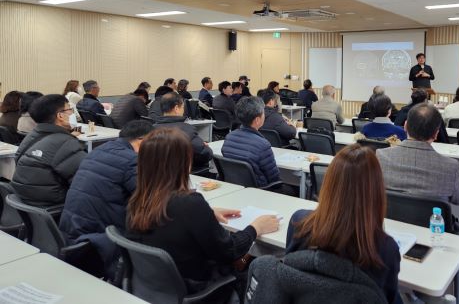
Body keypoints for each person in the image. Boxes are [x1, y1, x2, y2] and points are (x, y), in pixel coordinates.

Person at [126, 128, 279, 297]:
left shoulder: (138, 199)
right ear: (184, 162)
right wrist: (256, 228)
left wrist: (208, 213)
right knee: (257, 259)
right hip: (199, 287)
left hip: (156, 286)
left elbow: (171, 218)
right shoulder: (190, 204)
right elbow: (229, 252)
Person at [286, 144, 401, 304]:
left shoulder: (299, 222)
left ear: (329, 182)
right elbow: (387, 298)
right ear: (376, 190)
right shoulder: (385, 248)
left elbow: (288, 274)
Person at [59, 120, 154, 279]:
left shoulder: (99, 150)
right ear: (142, 141)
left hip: (71, 229)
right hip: (99, 239)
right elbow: (150, 198)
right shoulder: (131, 160)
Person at [376, 103, 459, 205]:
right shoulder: (450, 166)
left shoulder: (381, 156)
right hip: (431, 220)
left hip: (389, 219)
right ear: (436, 133)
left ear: (405, 126)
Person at [11, 94, 86, 206]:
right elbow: (85, 181)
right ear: (60, 116)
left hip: (27, 204)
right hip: (54, 206)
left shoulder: (31, 136)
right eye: (70, 109)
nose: (73, 113)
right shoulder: (66, 143)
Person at [222, 96, 280, 187]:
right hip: (260, 191)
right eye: (263, 113)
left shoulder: (229, 137)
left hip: (235, 188)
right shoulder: (262, 145)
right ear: (257, 120)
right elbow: (274, 178)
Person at [154, 92, 213, 172]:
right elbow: (205, 154)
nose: (184, 110)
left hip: (158, 174)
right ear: (176, 108)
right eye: (182, 107)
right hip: (183, 175)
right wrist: (205, 147)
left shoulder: (151, 129)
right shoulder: (187, 129)